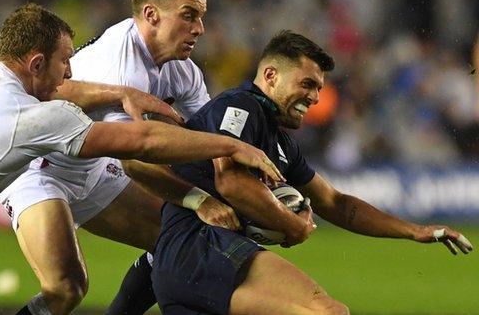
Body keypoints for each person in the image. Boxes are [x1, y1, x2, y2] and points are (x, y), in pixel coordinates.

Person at [0, 3, 281, 315]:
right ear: (37, 63)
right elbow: (143, 142)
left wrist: (119, 93)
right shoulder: (30, 121)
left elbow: (56, 91)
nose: (71, 74)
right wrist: (230, 145)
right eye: (64, 61)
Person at [150, 30, 474, 315]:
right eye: (307, 84)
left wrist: (413, 231)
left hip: (188, 268)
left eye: (318, 88)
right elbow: (230, 181)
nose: (315, 98)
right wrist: (292, 224)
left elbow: (335, 202)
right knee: (329, 312)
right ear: (271, 75)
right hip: (200, 250)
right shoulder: (241, 108)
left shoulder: (281, 143)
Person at [0, 0, 246, 314]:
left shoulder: (183, 71)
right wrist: (197, 198)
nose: (199, 28)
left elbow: (209, 139)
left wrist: (245, 181)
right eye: (188, 16)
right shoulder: (122, 64)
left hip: (94, 170)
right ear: (151, 15)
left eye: (201, 17)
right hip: (40, 170)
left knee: (177, 241)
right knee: (66, 288)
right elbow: (133, 159)